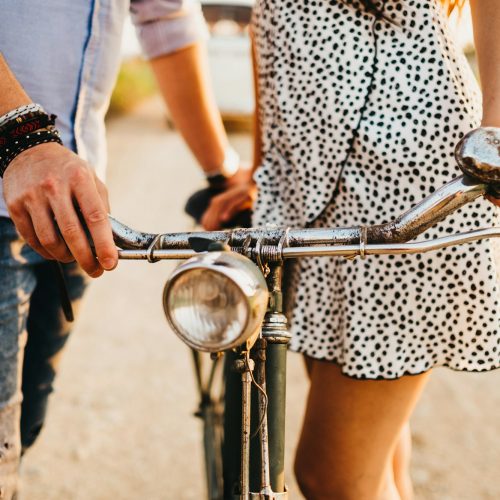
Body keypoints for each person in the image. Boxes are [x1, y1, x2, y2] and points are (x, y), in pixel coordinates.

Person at [202, 0, 500, 498]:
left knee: (331, 475)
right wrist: (262, 166)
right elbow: (270, 24)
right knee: (375, 459)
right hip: (304, 190)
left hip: (403, 179)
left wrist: (497, 133)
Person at [0, 1, 250, 497]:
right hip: (20, 164)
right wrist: (19, 135)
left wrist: (222, 175)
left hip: (68, 203)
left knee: (21, 433)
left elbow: (166, 19)